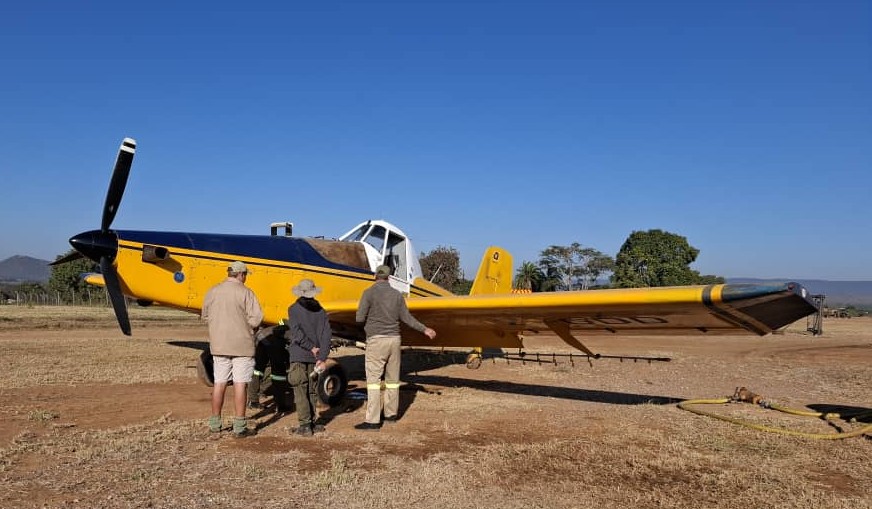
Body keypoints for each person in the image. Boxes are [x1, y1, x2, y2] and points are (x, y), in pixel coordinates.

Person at [354, 265, 436, 431]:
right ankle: (391, 414)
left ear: (375, 276)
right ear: (389, 277)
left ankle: (373, 421)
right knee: (392, 380)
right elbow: (407, 318)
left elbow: (359, 318)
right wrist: (425, 329)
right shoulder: (397, 295)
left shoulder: (368, 293)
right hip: (394, 340)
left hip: (376, 340)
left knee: (374, 381)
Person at [202, 261, 264, 438]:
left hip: (219, 345)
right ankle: (239, 426)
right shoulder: (246, 293)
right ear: (241, 274)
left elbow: (205, 315)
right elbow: (256, 319)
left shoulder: (213, 291)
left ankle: (215, 423)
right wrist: (248, 328)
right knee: (240, 384)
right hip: (242, 346)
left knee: (219, 383)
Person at [286, 278, 332, 437]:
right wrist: (322, 356)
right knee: (312, 390)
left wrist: (310, 347)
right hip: (316, 357)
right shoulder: (321, 311)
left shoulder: (293, 309)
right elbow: (326, 335)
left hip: (299, 354)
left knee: (300, 389)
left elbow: (296, 333)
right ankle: (311, 422)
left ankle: (305, 425)